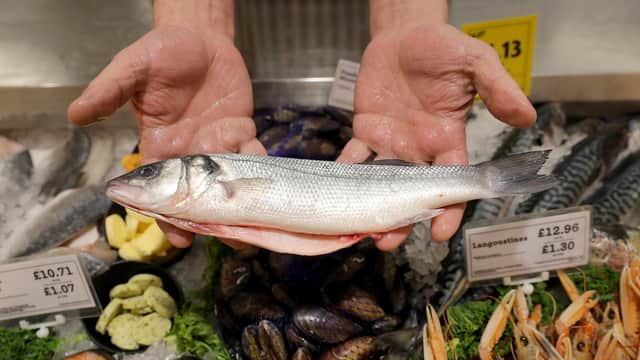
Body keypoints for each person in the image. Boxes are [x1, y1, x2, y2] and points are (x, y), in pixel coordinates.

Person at [68, 0, 536, 253]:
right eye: (147, 174)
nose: (140, 178)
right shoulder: (205, 189)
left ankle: (486, 180)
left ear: (197, 172)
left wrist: (405, 16)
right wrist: (197, 17)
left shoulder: (215, 177)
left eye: (149, 173)